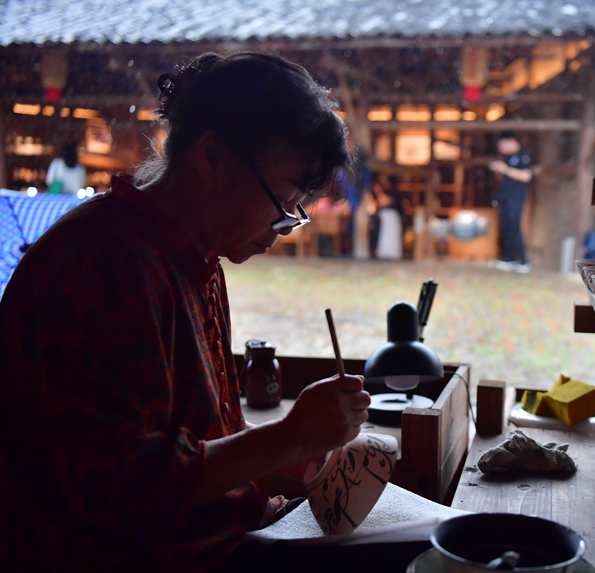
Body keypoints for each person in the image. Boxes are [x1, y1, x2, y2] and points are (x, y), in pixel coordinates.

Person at [0, 52, 371, 572]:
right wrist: (285, 437)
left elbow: (200, 439)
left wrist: (290, 455)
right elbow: (124, 488)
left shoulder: (196, 255)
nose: (283, 226)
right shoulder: (103, 264)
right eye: (282, 201)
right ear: (213, 158)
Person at [489, 131, 533, 273]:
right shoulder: (508, 158)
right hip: (507, 196)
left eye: (502, 144)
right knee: (507, 226)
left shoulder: (522, 156)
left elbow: (526, 176)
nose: (501, 148)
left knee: (514, 226)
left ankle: (523, 261)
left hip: (516, 197)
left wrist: (505, 169)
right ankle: (509, 259)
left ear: (511, 141)